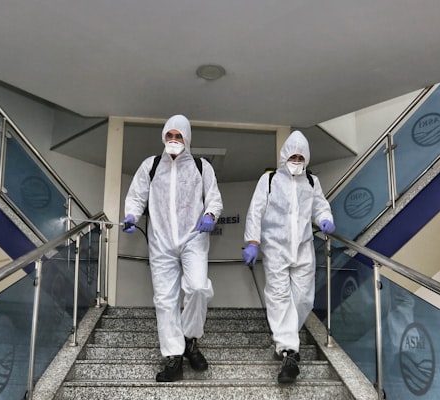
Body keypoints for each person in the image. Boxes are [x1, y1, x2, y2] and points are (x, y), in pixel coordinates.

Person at [122, 114, 224, 382]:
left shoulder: (202, 167)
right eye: (170, 135)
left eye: (179, 136)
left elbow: (214, 198)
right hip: (162, 242)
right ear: (164, 137)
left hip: (194, 238)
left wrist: (210, 216)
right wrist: (132, 215)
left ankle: (190, 339)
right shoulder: (151, 165)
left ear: (187, 138)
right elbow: (136, 196)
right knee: (165, 300)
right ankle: (174, 357)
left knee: (198, 287)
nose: (174, 140)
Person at [242, 131, 335, 384]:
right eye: (292, 156)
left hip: (303, 248)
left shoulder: (312, 182)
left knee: (304, 298)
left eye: (300, 156)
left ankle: (287, 340)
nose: (296, 160)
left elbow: (320, 206)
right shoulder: (269, 180)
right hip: (276, 249)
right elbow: (255, 211)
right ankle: (289, 353)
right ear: (284, 156)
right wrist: (253, 242)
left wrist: (325, 219)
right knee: (279, 297)